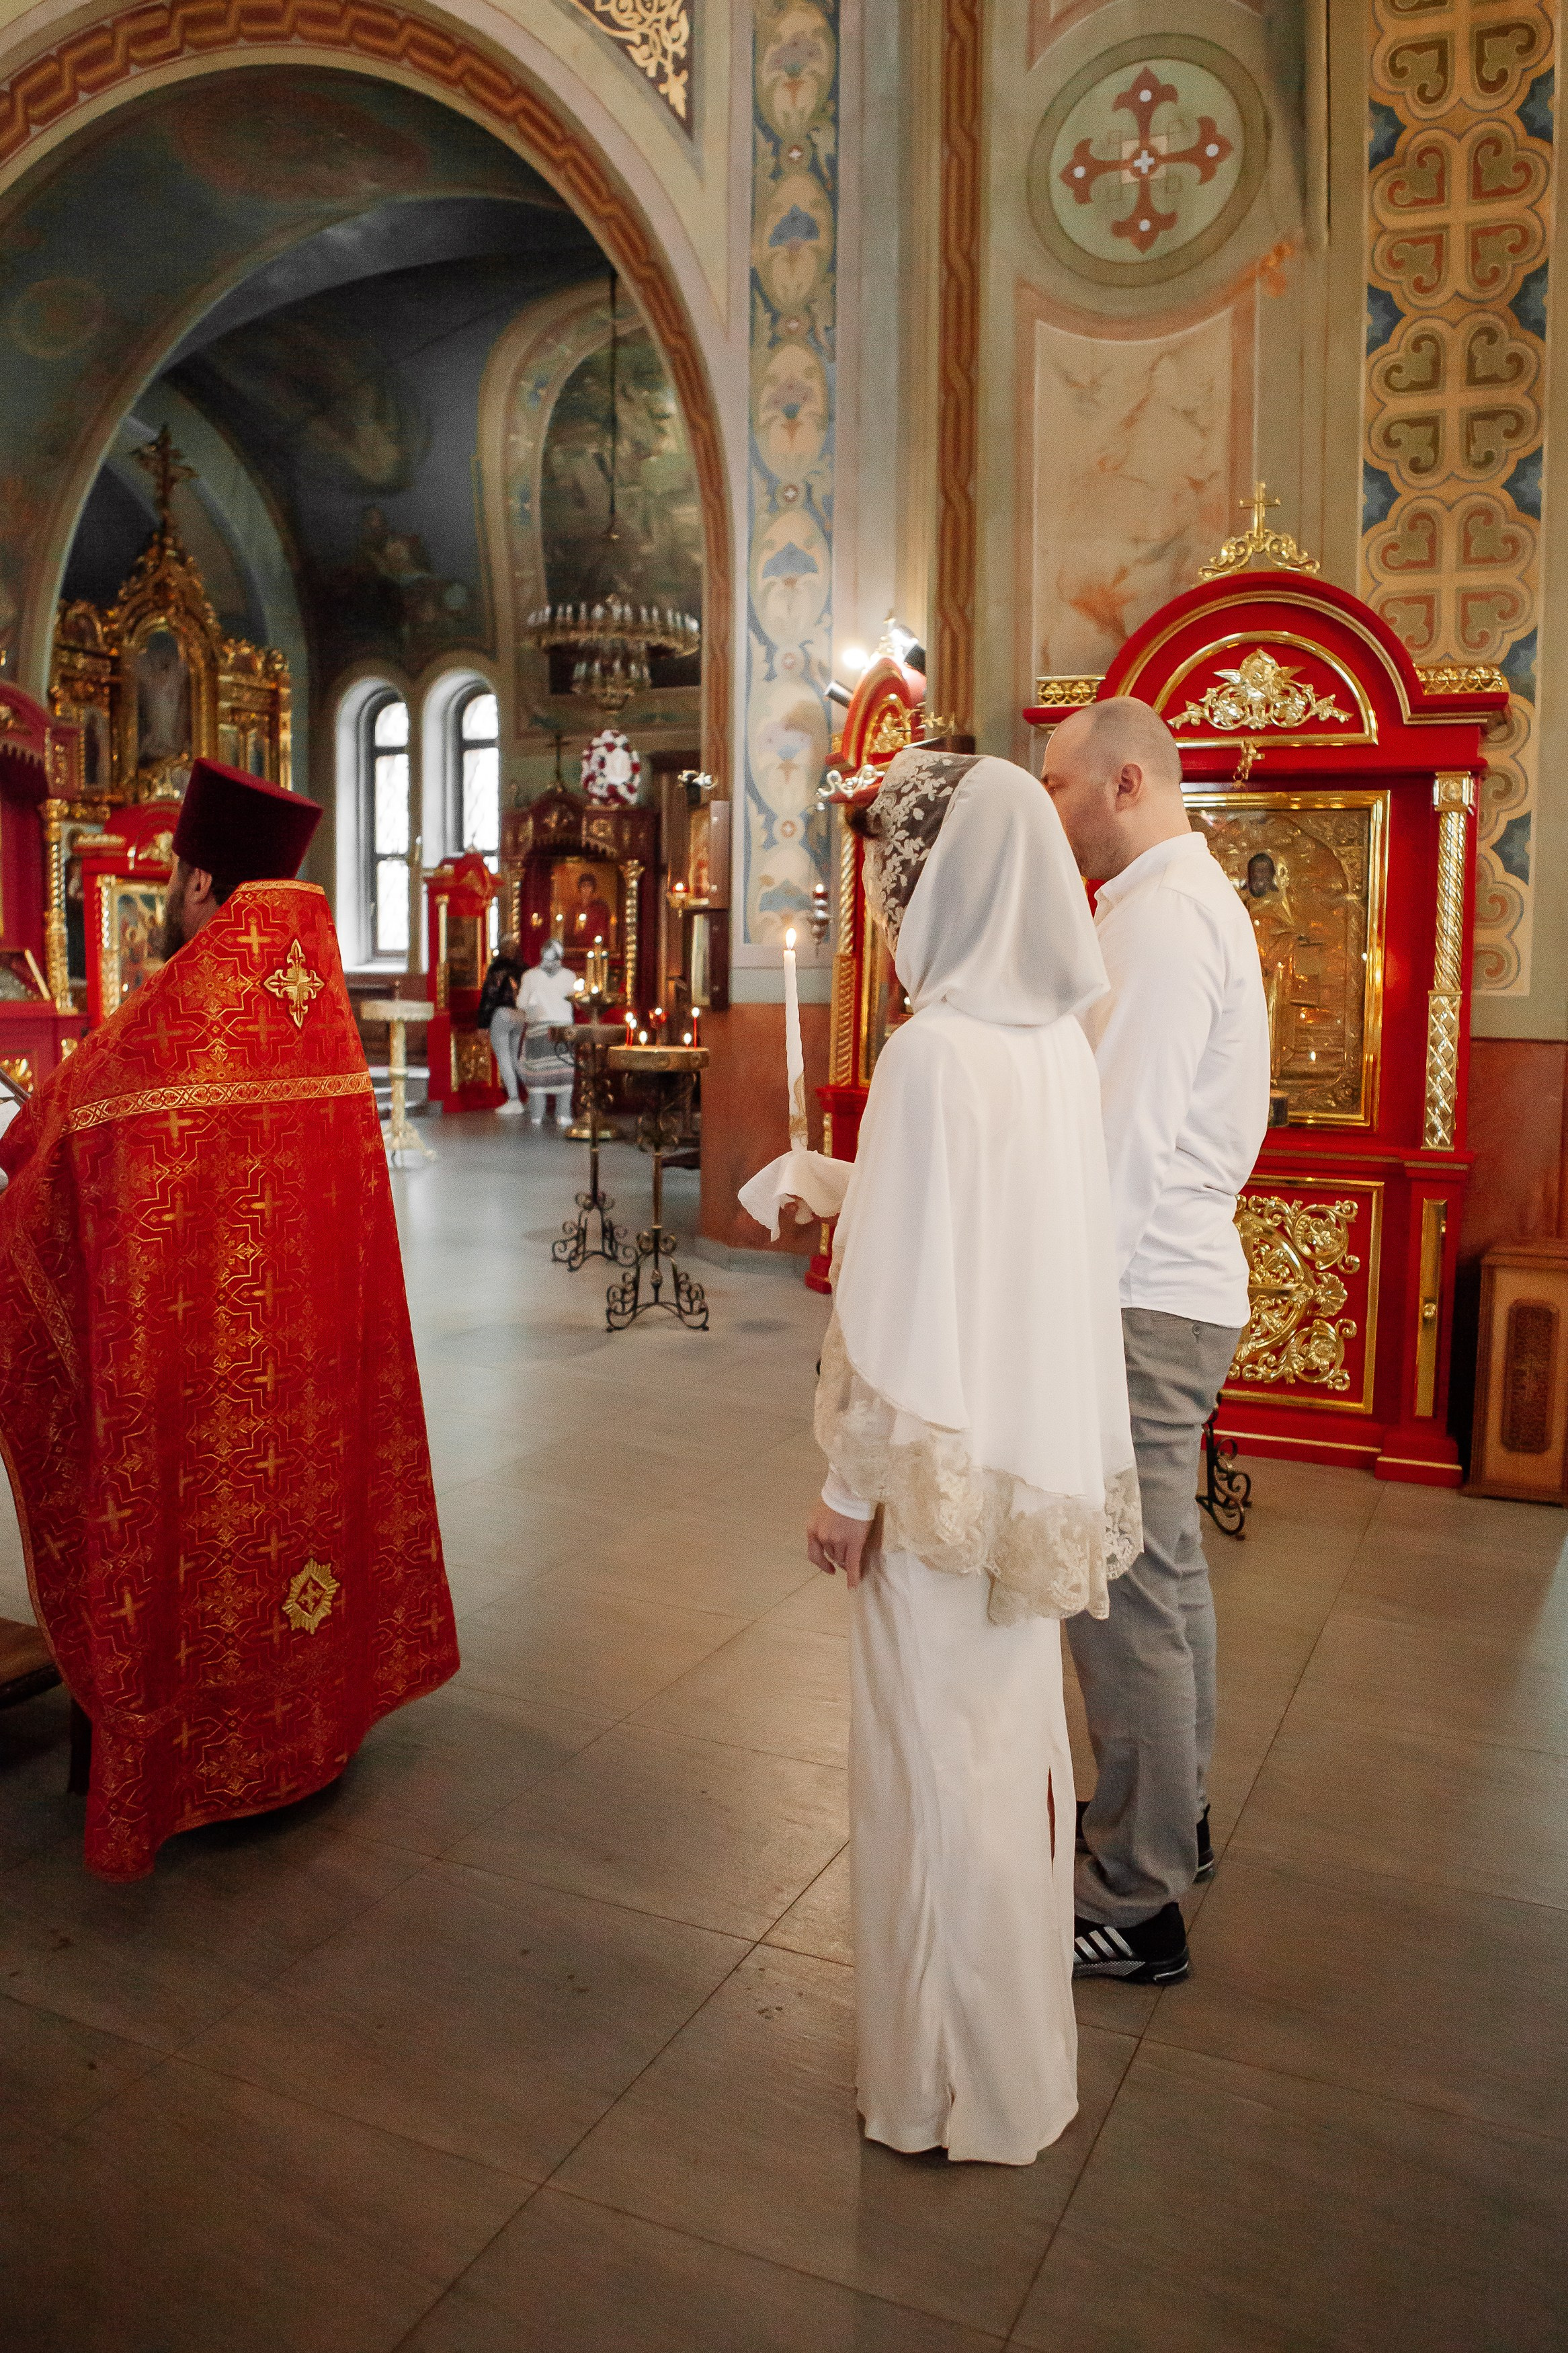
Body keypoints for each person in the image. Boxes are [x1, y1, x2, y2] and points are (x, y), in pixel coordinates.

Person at [751, 749, 1139, 2166]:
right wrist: (849, 1187)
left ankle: (930, 2090)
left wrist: (845, 1490)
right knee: (1003, 1761)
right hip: (1019, 1468)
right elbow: (1009, 1241)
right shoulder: (1050, 1045)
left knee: (922, 1772)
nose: (880, 895)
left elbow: (906, 1304)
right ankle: (1018, 2071)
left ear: (936, 885)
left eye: (891, 873)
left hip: (925, 1475)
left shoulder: (924, 1053)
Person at [0, 758, 459, 1880]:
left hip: (200, 1373)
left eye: (173, 876)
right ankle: (306, 1722)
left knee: (196, 1522)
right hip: (306, 1362)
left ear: (201, 881)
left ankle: (189, 1749)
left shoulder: (173, 1018)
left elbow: (51, 1151)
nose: (170, 892)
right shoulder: (313, 1015)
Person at [1041, 696, 1270, 1986]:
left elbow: (1115, 1151)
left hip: (1134, 1295)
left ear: (1125, 782)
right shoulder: (1163, 905)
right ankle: (1165, 1822)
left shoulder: (1166, 923)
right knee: (1165, 1572)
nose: (1053, 811)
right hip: (1169, 1288)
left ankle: (1136, 1902)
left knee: (1118, 1590)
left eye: (1063, 787)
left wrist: (1056, 1317)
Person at [514, 937, 581, 1125]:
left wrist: (531, 1002)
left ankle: (537, 1114)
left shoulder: (529, 976)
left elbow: (520, 1004)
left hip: (539, 1031)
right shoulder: (570, 976)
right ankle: (563, 1114)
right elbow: (577, 1002)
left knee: (537, 1075)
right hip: (563, 1031)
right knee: (564, 1072)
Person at [476, 934, 527, 1114]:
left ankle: (514, 1100)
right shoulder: (524, 969)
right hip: (521, 1015)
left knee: (504, 1058)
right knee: (516, 1058)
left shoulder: (498, 968)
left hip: (502, 1014)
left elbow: (490, 996)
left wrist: (482, 1024)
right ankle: (534, 1095)